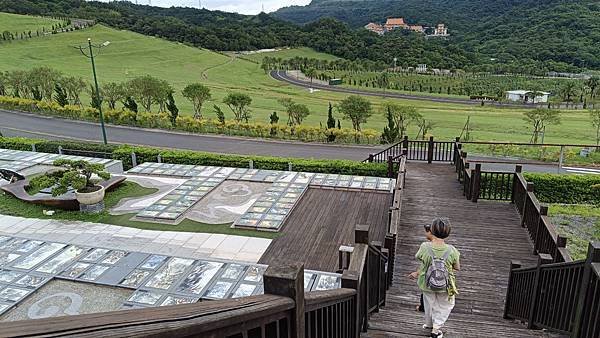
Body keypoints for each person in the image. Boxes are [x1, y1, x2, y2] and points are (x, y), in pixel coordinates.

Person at [409, 218, 460, 338]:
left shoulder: (424, 246)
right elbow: (457, 267)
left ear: (431, 230)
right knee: (446, 305)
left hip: (426, 283)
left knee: (429, 304)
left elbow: (419, 257)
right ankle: (436, 329)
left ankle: (429, 324)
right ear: (448, 233)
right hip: (446, 285)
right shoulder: (452, 250)